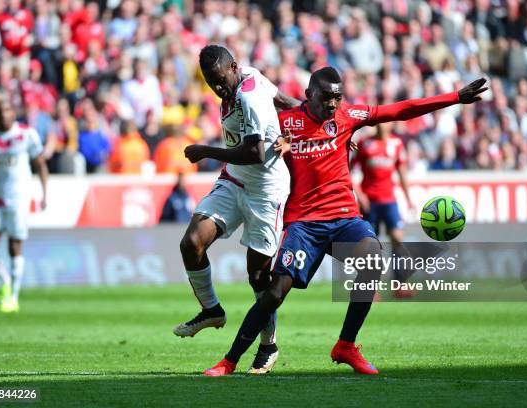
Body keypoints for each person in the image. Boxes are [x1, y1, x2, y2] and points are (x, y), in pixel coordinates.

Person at [203, 68, 487, 376]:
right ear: (309, 94)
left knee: (373, 256)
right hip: (304, 223)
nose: (333, 104)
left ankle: (346, 345)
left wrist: (455, 97)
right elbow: (254, 151)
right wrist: (273, 153)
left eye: (338, 97)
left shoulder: (348, 116)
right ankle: (230, 360)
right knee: (274, 293)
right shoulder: (284, 124)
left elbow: (401, 110)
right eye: (327, 97)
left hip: (345, 219)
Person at [173, 45, 299, 374]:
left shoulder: (247, 97)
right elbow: (285, 102)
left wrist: (206, 151)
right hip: (234, 181)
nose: (217, 88)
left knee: (258, 275)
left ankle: (268, 343)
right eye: (210, 82)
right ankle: (212, 310)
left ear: (233, 66)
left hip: (265, 190)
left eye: (220, 79)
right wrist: (310, 118)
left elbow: (256, 152)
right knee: (192, 242)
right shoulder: (250, 76)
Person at [0, 100, 48, 312]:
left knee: (14, 247)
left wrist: (44, 193)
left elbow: (40, 164)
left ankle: (13, 296)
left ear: (13, 113)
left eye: (7, 110)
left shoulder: (27, 135)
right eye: (0, 112)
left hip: (19, 200)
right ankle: (4, 281)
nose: (4, 115)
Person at [353, 122, 416, 298]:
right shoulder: (364, 143)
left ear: (391, 125)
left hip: (389, 201)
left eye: (386, 122)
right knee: (371, 246)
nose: (382, 125)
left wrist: (409, 198)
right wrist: (360, 194)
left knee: (397, 238)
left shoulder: (396, 144)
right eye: (380, 122)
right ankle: (371, 288)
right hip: (369, 203)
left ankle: (400, 284)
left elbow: (402, 172)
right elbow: (347, 171)